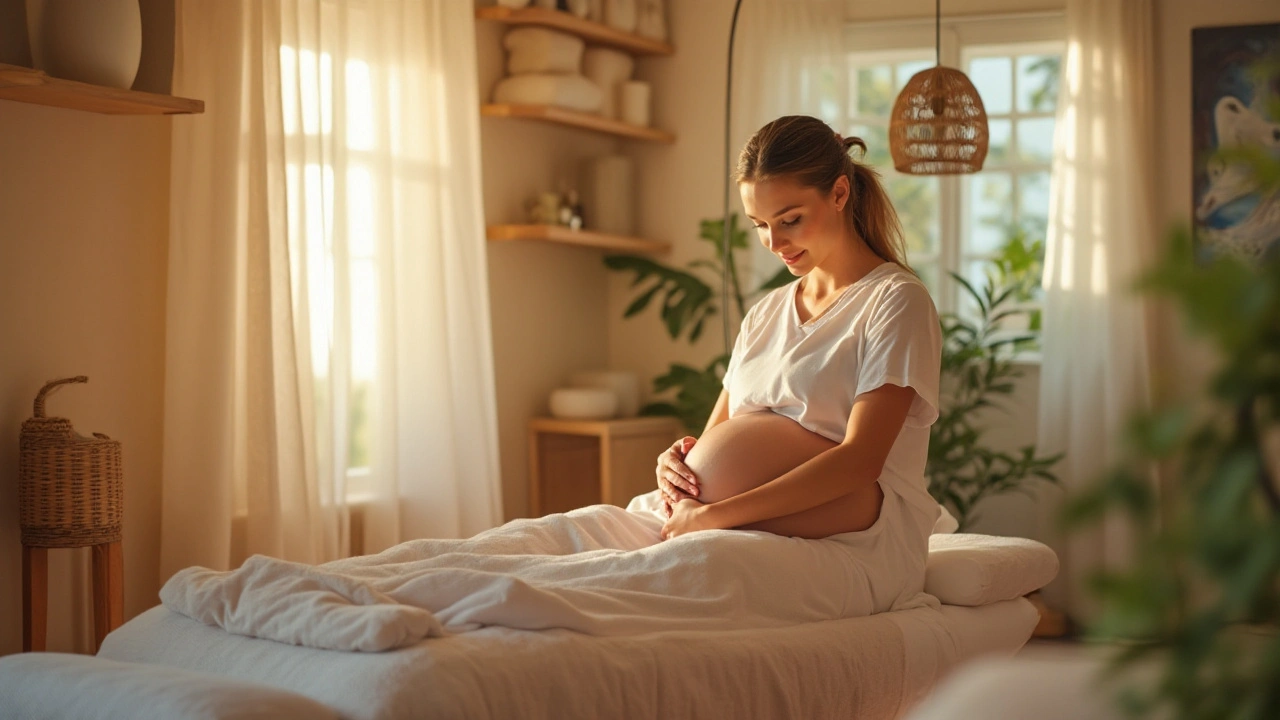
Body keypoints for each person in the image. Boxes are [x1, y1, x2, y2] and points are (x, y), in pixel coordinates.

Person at [653, 115, 943, 574]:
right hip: (735, 522)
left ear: (839, 194)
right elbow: (714, 438)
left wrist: (712, 516)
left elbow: (860, 462)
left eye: (789, 220)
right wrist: (678, 464)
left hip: (860, 534)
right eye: (759, 225)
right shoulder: (766, 313)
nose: (773, 242)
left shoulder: (895, 301)